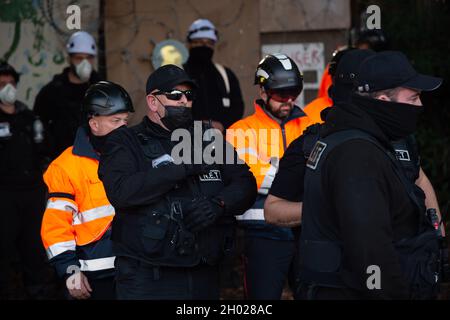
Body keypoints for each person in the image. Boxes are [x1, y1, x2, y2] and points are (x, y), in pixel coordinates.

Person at [97, 64, 256, 300]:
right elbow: (121, 192)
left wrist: (219, 204)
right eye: (175, 95)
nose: (184, 101)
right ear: (153, 102)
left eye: (189, 96)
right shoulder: (125, 142)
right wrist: (180, 167)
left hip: (204, 272)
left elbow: (245, 184)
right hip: (149, 277)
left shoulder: (207, 139)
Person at [297, 51, 443, 299]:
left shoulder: (360, 139)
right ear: (385, 100)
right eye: (414, 97)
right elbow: (371, 252)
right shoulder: (358, 155)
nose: (420, 105)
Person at [226, 54, 313, 299]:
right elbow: (255, 176)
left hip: (306, 230)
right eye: (280, 94)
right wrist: (304, 179)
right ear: (263, 91)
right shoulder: (241, 131)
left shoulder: (309, 126)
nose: (288, 100)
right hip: (261, 232)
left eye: (293, 93)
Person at [40, 81, 134, 300]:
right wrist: (70, 270)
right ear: (94, 124)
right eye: (115, 120)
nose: (123, 127)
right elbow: (55, 228)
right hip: (94, 277)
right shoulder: (66, 166)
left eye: (125, 121)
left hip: (135, 269)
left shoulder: (133, 155)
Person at [0, 62, 53, 299]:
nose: (8, 88)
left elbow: (43, 151)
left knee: (33, 245)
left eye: (11, 83)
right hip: (4, 194)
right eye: (2, 85)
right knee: (4, 246)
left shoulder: (29, 117)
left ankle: (37, 290)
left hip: (31, 192)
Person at [34, 31, 102, 159]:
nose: (85, 63)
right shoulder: (51, 93)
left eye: (89, 58)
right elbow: (39, 131)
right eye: (79, 58)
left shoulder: (103, 89)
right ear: (69, 58)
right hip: (63, 163)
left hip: (96, 162)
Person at [183, 18, 244, 132]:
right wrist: (196, 125)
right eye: (199, 42)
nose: (204, 46)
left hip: (221, 143)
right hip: (184, 143)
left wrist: (222, 125)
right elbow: (168, 109)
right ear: (190, 44)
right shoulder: (178, 74)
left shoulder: (226, 75)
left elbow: (237, 108)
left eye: (209, 43)